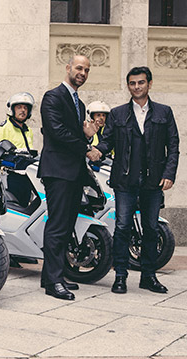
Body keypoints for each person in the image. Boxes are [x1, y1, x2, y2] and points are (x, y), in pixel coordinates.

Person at [89, 67, 179, 295]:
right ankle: (120, 276)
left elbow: (174, 146)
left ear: (149, 84)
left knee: (150, 228)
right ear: (128, 86)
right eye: (132, 83)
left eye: (140, 83)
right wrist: (95, 150)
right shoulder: (118, 114)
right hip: (125, 181)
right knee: (122, 227)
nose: (136, 87)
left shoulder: (164, 112)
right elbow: (106, 142)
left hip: (153, 181)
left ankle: (148, 276)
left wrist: (169, 174)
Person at [38, 55, 99, 300]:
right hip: (58, 171)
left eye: (86, 69)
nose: (82, 73)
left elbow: (74, 135)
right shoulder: (53, 97)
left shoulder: (80, 104)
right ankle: (54, 282)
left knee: (65, 227)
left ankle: (53, 275)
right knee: (57, 226)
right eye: (78, 68)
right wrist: (87, 148)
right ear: (67, 68)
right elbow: (58, 132)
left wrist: (88, 135)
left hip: (74, 173)